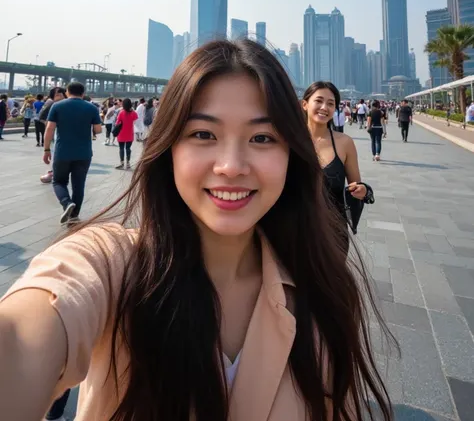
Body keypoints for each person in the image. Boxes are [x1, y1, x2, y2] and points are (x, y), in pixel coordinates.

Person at [0, 39, 393, 421]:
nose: (231, 166)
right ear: (168, 146)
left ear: (291, 153)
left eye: (262, 138)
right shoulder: (114, 267)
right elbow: (27, 331)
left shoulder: (323, 291)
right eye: (203, 134)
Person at [302, 81, 374, 249]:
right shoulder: (289, 140)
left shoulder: (344, 142)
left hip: (333, 232)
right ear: (305, 104)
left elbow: (356, 184)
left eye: (330, 103)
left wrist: (362, 190)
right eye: (318, 101)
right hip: (293, 230)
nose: (324, 107)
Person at [43, 82, 102, 224]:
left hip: (63, 152)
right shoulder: (92, 107)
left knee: (58, 181)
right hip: (84, 154)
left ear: (67, 92)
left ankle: (66, 202)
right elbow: (98, 129)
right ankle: (74, 216)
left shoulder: (57, 106)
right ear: (83, 93)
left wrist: (46, 149)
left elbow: (50, 128)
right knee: (78, 185)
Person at [38, 88, 67, 184]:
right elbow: (41, 116)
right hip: (56, 134)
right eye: (58, 94)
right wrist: (50, 126)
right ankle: (53, 172)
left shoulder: (67, 104)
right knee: (55, 151)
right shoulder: (52, 104)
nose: (61, 95)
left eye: (62, 93)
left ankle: (55, 172)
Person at [115, 98, 138, 170]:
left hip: (121, 133)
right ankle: (128, 163)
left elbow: (117, 123)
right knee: (128, 148)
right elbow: (135, 122)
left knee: (121, 148)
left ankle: (122, 164)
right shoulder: (134, 113)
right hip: (129, 133)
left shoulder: (121, 112)